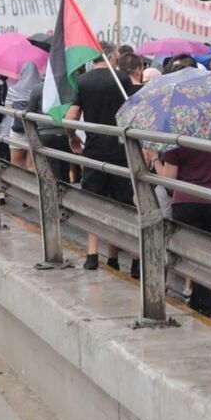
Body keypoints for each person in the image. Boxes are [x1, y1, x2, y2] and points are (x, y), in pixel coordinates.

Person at [66, 42, 134, 271]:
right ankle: (123, 258)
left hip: (94, 150)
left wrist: (72, 136)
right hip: (120, 149)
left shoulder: (83, 81)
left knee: (93, 202)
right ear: (112, 55)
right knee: (122, 204)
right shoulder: (122, 79)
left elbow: (72, 115)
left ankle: (92, 254)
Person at [154, 143, 211, 319]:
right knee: (205, 253)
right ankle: (198, 302)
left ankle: (208, 307)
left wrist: (154, 160)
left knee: (193, 254)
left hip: (186, 201)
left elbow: (169, 180)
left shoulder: (175, 137)